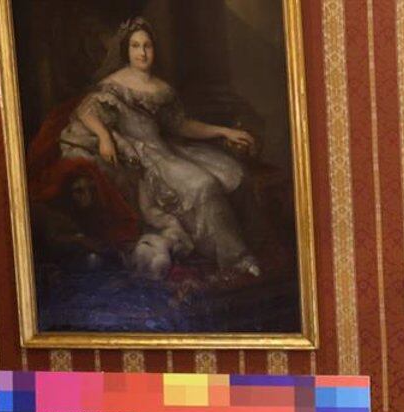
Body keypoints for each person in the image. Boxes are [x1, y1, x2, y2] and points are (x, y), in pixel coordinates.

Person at [56, 17, 263, 280]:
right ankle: (236, 259)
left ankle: (252, 247)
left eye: (147, 46)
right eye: (135, 46)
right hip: (145, 158)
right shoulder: (114, 85)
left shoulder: (161, 88)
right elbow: (85, 111)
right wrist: (104, 137)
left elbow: (181, 125)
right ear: (126, 50)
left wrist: (224, 130)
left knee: (233, 174)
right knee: (202, 185)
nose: (142, 53)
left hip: (168, 151)